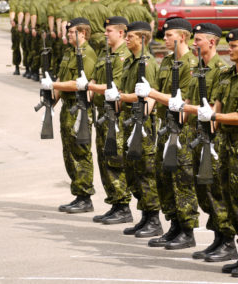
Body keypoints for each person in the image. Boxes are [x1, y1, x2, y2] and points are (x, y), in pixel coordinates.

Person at [188, 27, 238, 277]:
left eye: (234, 46)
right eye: (229, 45)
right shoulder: (227, 75)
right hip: (225, 143)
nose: (229, 49)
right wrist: (210, 114)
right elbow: (218, 102)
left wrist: (215, 115)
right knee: (230, 200)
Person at [168, 23, 238, 262]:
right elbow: (189, 102)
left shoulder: (220, 70)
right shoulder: (198, 68)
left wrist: (184, 107)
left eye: (198, 40)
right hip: (196, 136)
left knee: (216, 191)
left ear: (212, 42)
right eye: (194, 40)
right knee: (203, 191)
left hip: (213, 139)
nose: (194, 44)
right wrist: (180, 110)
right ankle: (218, 238)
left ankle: (227, 241)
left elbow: (213, 109)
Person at [135, 18, 199, 250]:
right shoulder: (167, 61)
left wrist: (152, 93)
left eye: (168, 34)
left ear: (182, 37)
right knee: (164, 180)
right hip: (164, 126)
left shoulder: (191, 64)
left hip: (181, 130)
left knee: (182, 181)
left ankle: (187, 230)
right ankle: (174, 225)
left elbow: (180, 103)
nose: (164, 38)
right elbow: (160, 94)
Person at [103, 21, 162, 237]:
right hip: (129, 123)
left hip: (142, 126)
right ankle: (145, 216)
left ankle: (153, 218)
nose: (126, 39)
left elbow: (148, 99)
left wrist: (120, 96)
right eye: (126, 36)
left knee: (146, 173)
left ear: (142, 39)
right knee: (132, 173)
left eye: (131, 37)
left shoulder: (147, 64)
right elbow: (127, 92)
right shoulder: (130, 62)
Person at [76, 16, 134, 225]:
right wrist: (89, 83)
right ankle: (115, 203)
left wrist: (89, 87)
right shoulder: (105, 52)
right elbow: (96, 79)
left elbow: (114, 87)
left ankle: (123, 204)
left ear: (121, 33)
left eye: (109, 31)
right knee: (103, 157)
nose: (105, 34)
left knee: (114, 158)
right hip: (101, 111)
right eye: (105, 30)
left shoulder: (123, 56)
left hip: (115, 114)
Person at [41, 18, 98, 214]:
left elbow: (79, 83)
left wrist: (54, 86)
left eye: (72, 32)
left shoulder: (88, 54)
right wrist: (51, 103)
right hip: (67, 108)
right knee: (69, 153)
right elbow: (60, 78)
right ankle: (78, 194)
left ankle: (85, 196)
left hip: (80, 109)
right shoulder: (69, 53)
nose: (68, 35)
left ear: (83, 33)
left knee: (81, 152)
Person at [9, 0, 22, 75]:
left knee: (16, 47)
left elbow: (12, 12)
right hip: (24, 26)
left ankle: (17, 67)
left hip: (18, 26)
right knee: (27, 49)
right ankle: (29, 69)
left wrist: (12, 20)